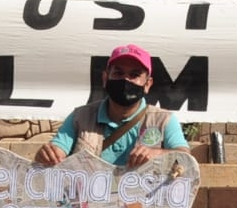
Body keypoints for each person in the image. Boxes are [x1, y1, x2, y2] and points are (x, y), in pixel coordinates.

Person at [37, 44, 189, 167]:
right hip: (86, 203)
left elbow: (185, 159)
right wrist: (47, 156)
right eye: (118, 73)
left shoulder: (163, 121)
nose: (126, 80)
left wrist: (158, 154)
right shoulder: (80, 117)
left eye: (134, 75)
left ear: (147, 84)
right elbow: (56, 151)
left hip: (140, 203)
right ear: (105, 78)